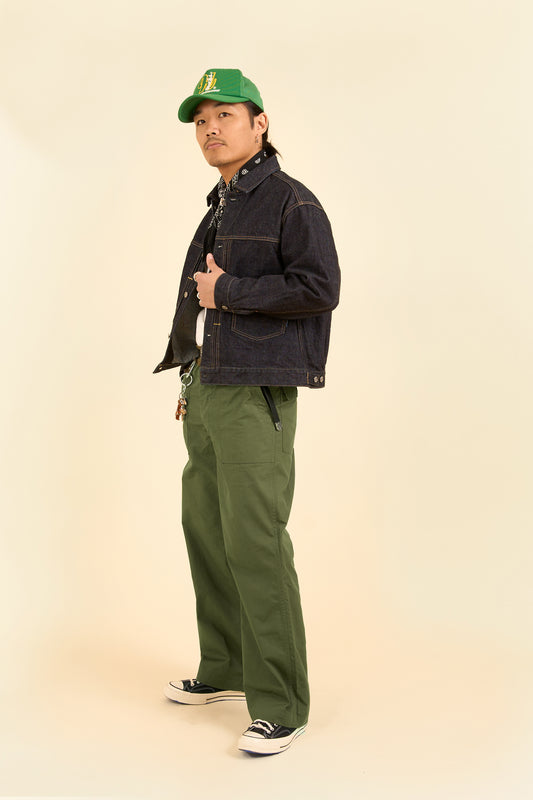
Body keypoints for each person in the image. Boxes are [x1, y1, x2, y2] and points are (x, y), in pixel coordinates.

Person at [154, 68, 340, 755]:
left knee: (255, 538)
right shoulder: (222, 203)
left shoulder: (291, 201)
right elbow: (203, 301)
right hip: (209, 384)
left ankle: (282, 703)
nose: (211, 129)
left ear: (259, 123)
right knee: (205, 527)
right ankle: (226, 665)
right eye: (201, 121)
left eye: (225, 115)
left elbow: (319, 286)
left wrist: (229, 290)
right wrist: (191, 371)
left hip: (254, 390)